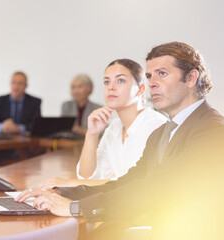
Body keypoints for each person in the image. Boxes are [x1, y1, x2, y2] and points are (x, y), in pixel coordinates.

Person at [16, 42, 224, 239]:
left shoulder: (213, 130)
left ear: (191, 78)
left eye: (162, 74)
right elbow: (127, 182)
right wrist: (62, 193)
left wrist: (75, 207)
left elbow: (153, 190)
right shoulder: (162, 132)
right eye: (150, 76)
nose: (152, 83)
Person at [76, 59, 167, 180]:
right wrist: (91, 134)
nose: (111, 87)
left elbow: (132, 184)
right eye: (106, 82)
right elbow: (87, 177)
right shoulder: (115, 127)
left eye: (120, 80)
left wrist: (67, 185)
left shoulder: (154, 124)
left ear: (141, 89)